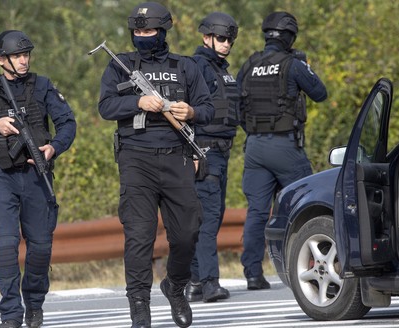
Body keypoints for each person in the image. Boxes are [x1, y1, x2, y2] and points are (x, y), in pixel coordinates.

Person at [97, 2, 214, 327]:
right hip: (136, 161)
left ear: (163, 32)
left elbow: (208, 108)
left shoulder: (185, 66)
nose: (142, 36)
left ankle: (175, 286)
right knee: (139, 237)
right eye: (137, 31)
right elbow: (105, 106)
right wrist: (138, 101)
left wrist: (189, 112)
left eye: (148, 31)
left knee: (188, 233)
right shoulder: (120, 65)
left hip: (177, 158)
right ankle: (140, 309)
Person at [0, 30, 76, 328]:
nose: (24, 61)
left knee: (40, 248)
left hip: (37, 176)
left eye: (27, 55)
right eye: (17, 56)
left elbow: (67, 123)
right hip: (3, 177)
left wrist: (54, 147)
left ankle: (34, 305)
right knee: (6, 246)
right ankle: (10, 315)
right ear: (0, 59)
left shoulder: (42, 86)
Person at [236, 11, 327, 290]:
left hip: (254, 146)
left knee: (257, 212)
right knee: (307, 204)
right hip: (285, 145)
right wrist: (303, 64)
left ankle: (253, 274)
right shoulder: (293, 64)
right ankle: (311, 266)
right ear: (289, 37)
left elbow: (237, 107)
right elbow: (320, 94)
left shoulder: (248, 65)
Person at [185, 12, 240, 303]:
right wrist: (193, 151)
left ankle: (194, 281)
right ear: (206, 37)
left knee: (210, 219)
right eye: (221, 38)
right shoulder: (197, 68)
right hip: (204, 151)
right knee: (208, 220)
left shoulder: (223, 70)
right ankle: (208, 282)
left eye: (230, 38)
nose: (226, 43)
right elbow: (185, 113)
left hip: (222, 152)